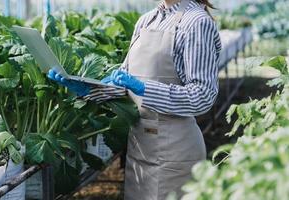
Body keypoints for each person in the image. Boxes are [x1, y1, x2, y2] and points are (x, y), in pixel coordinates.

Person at [48, 0, 221, 199]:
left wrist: (145, 89)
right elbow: (123, 84)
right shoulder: (146, 21)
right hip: (140, 147)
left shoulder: (197, 22)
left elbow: (203, 96)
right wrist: (87, 89)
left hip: (174, 152)